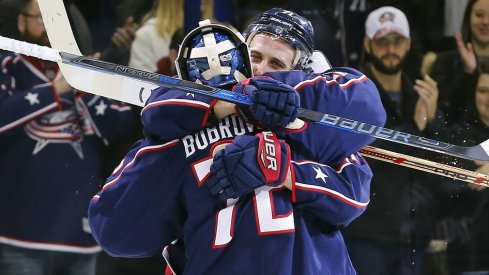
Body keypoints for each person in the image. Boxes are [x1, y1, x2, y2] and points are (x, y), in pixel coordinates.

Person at [89, 9, 386, 275]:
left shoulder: (313, 127)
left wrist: (286, 172)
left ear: (301, 72)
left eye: (277, 63)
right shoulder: (185, 129)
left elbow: (354, 195)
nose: (260, 70)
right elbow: (116, 231)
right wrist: (213, 106)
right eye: (254, 57)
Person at [0, 0, 136, 274]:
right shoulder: (9, 66)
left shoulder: (88, 69)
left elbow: (120, 126)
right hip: (19, 234)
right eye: (40, 18)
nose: (48, 27)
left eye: (55, 21)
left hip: (80, 235)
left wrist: (84, 84)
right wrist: (55, 91)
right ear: (21, 22)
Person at [342, 6, 442, 275]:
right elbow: (364, 149)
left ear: (408, 43)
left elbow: (443, 160)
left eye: (397, 41)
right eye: (382, 41)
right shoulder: (352, 94)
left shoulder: (421, 95)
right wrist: (417, 127)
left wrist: (432, 123)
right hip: (367, 234)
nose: (390, 49)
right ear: (367, 44)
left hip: (413, 236)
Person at [422, 60, 489, 275]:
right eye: (483, 90)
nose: (488, 98)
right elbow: (445, 184)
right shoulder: (462, 134)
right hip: (468, 254)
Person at [430, 0, 489, 123]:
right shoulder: (446, 61)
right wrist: (468, 73)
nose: (485, 22)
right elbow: (443, 113)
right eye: (479, 15)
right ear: (468, 19)